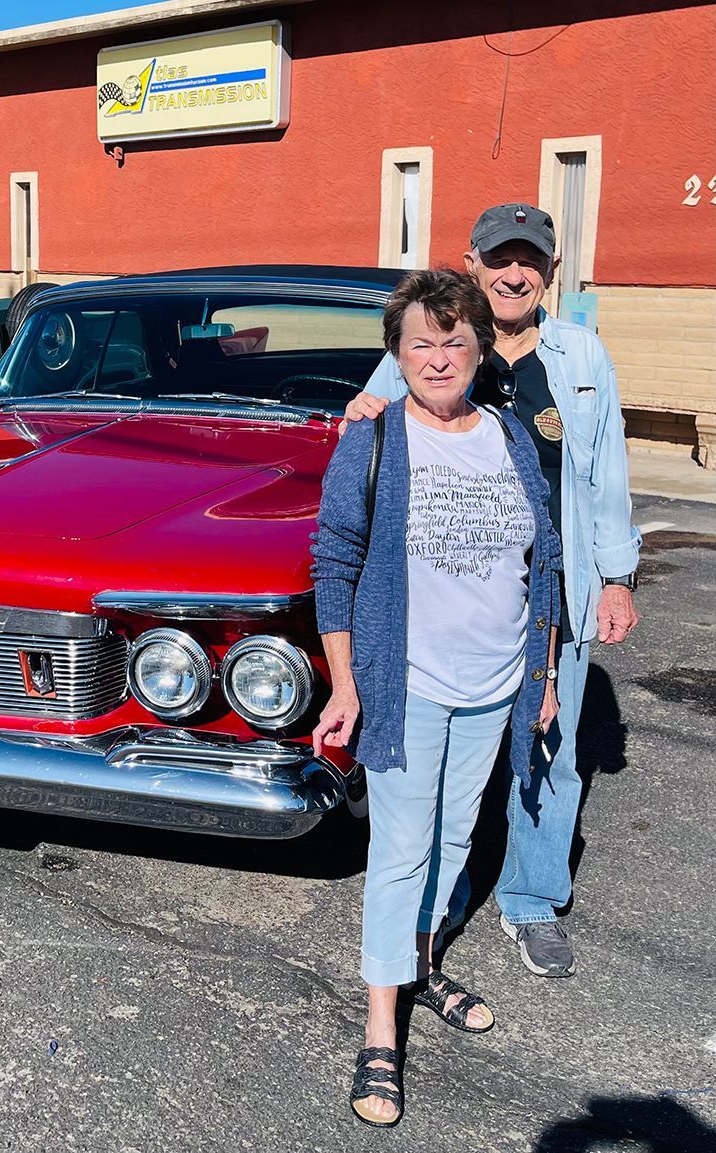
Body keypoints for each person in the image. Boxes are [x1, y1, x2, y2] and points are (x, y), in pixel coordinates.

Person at [345, 204, 641, 978]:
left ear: (549, 270)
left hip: (554, 590)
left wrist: (616, 576)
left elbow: (605, 471)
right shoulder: (449, 341)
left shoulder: (581, 354)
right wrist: (362, 409)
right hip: (450, 595)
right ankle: (437, 896)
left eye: (531, 261)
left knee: (550, 748)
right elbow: (373, 412)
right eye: (501, 258)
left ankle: (531, 896)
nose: (515, 273)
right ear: (472, 262)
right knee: (447, 757)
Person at [312, 268, 562, 1128]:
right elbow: (334, 566)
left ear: (479, 348)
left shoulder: (509, 435)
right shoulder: (375, 440)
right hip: (407, 684)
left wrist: (546, 671)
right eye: (422, 341)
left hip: (496, 685)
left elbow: (546, 560)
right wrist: (346, 683)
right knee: (401, 850)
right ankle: (381, 1025)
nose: (440, 356)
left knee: (456, 836)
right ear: (398, 354)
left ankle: (421, 963)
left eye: (457, 339)